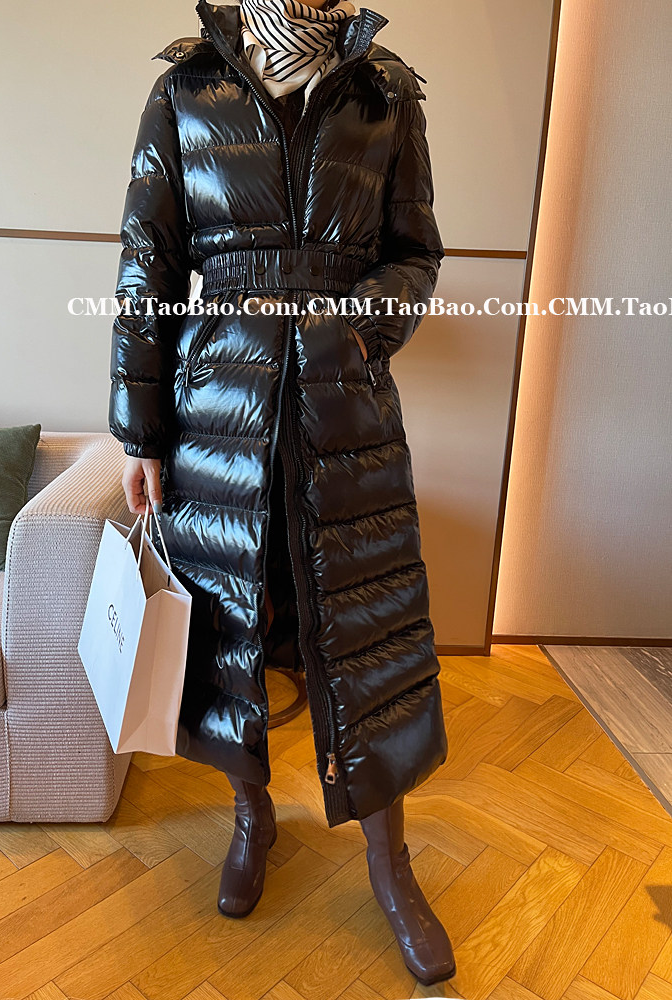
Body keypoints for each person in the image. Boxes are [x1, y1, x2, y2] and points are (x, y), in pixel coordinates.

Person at [109, 0, 454, 983]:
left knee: (370, 635)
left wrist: (355, 329)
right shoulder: (187, 89)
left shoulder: (383, 91)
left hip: (346, 413)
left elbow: (415, 252)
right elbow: (146, 268)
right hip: (218, 412)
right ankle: (250, 818)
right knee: (230, 632)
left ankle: (391, 863)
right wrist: (139, 428)